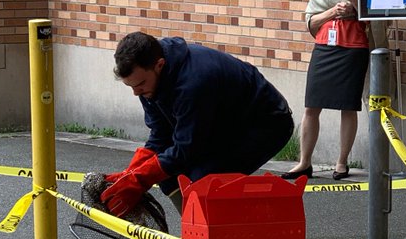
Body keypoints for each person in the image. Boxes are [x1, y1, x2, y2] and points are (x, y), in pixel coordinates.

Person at [102, 31, 294, 217]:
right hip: (221, 123)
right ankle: (197, 230)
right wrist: (131, 173)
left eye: (140, 84)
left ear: (159, 65)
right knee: (169, 177)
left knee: (202, 179)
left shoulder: (193, 83)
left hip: (265, 123)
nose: (136, 93)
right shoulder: (147, 83)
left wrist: (141, 178)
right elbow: (161, 134)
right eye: (131, 86)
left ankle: (226, 237)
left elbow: (186, 149)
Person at [284, 0, 386, 182]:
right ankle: (304, 162)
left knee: (347, 107)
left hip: (354, 47)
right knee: (311, 105)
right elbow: (311, 21)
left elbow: (378, 19)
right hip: (325, 46)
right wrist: (333, 11)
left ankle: (342, 163)